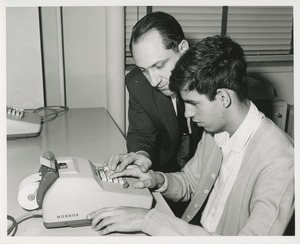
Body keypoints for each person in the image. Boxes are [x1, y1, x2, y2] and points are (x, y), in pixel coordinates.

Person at [88, 35, 294, 236]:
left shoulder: (281, 163)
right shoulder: (216, 131)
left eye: (193, 104)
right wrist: (157, 180)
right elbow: (190, 182)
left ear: (223, 97)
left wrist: (146, 220)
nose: (187, 114)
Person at [108, 11, 203, 174]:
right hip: (166, 170)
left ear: (183, 49)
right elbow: (141, 132)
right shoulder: (138, 84)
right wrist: (141, 155)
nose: (153, 81)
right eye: (144, 70)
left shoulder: (214, 79)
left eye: (159, 66)